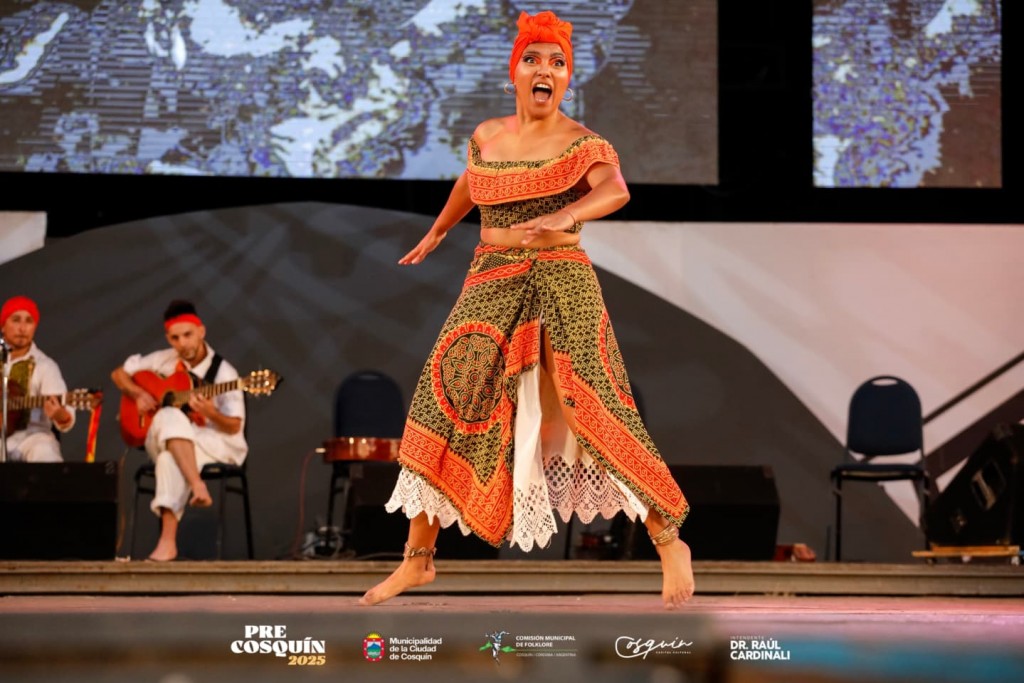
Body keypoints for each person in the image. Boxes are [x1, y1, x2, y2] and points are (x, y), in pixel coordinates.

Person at [361, 10, 694, 608]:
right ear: (514, 70)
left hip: (560, 278)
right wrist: (439, 232)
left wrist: (567, 215)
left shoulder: (581, 142)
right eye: (534, 59)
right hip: (490, 278)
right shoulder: (487, 135)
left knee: (588, 400)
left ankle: (667, 536)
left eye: (558, 63)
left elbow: (615, 190)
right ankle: (417, 560)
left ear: (568, 79)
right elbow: (473, 181)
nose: (546, 69)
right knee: (446, 397)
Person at [111, 300, 247, 561]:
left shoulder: (224, 372)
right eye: (175, 338)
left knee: (167, 456)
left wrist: (210, 413)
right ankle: (198, 485)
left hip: (215, 443)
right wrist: (137, 393)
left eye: (188, 335)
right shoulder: (162, 359)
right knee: (169, 415)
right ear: (168, 337)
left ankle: (167, 543)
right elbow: (119, 374)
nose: (182, 343)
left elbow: (234, 426)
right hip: (162, 436)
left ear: (201, 331)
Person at [0, 296, 75, 462]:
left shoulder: (45, 366)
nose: (22, 328)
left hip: (31, 438)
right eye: (16, 320)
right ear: (3, 326)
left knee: (45, 452)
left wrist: (60, 414)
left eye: (29, 321)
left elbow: (65, 412)